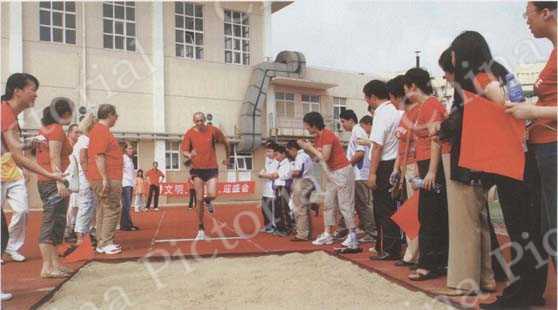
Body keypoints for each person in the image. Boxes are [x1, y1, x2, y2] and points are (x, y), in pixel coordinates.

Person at [446, 31, 547, 306]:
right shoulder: (497, 71)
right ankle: (532, 292)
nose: (452, 58)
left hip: (511, 165)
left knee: (520, 232)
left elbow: (503, 101)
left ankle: (517, 297)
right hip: (520, 160)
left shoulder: (481, 78)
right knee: (529, 232)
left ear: (465, 54)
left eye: (454, 52)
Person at [1, 73, 65, 299]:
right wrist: (50, 173)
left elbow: (14, 150)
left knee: (6, 227)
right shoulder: (5, 113)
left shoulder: (9, 115)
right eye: (32, 89)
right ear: (17, 91)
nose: (35, 94)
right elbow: (17, 155)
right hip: (7, 174)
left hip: (6, 174)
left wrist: (29, 146)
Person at [402, 68, 449, 281]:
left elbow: (435, 139)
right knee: (428, 214)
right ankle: (435, 262)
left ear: (413, 86)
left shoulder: (431, 106)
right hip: (424, 165)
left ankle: (431, 264)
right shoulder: (424, 107)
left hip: (433, 166)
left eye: (406, 90)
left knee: (430, 215)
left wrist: (431, 172)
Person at [519, 1, 557, 265]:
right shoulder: (553, 54)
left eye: (528, 14)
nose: (527, 20)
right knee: (550, 232)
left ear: (546, 13)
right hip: (544, 148)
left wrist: (531, 113)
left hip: (554, 147)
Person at [298, 112, 358, 250]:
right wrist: (307, 150)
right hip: (331, 173)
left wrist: (309, 147)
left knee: (345, 204)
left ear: (313, 125)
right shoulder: (318, 138)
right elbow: (317, 158)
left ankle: (353, 235)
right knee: (328, 204)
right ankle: (327, 234)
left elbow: (324, 156)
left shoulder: (328, 135)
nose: (306, 129)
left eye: (307, 126)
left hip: (342, 171)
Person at [364, 80, 403, 260]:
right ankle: (387, 246)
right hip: (396, 162)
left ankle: (388, 249)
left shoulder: (381, 114)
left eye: (366, 98)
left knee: (383, 209)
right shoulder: (396, 111)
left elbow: (377, 146)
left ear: (372, 97)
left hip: (385, 164)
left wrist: (372, 173)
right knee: (392, 208)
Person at [36, 98, 75, 278]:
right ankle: (47, 267)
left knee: (57, 222)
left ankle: (54, 264)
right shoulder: (56, 130)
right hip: (52, 181)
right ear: (64, 114)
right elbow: (54, 157)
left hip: (47, 180)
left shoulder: (45, 129)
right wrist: (59, 181)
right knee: (51, 222)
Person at [181, 112, 230, 241]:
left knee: (213, 194)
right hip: (197, 170)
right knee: (198, 199)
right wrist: (189, 155)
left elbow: (225, 142)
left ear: (205, 120)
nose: (200, 123)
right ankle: (201, 228)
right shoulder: (189, 133)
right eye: (197, 121)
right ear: (193, 121)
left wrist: (227, 157)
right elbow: (184, 150)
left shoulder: (213, 131)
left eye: (201, 120)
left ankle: (209, 200)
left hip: (211, 168)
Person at [389, 74, 420, 268]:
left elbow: (418, 142)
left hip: (413, 166)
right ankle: (412, 252)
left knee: (413, 212)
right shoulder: (405, 116)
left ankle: (413, 254)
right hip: (404, 165)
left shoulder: (415, 113)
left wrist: (413, 168)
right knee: (408, 211)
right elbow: (401, 147)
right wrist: (396, 169)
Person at [87, 104, 124, 255]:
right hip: (107, 176)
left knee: (104, 208)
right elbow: (99, 155)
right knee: (112, 208)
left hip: (102, 176)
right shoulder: (101, 131)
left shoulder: (98, 130)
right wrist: (104, 178)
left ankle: (102, 242)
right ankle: (106, 242)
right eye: (115, 115)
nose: (117, 118)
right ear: (109, 114)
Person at [339, 109, 376, 243]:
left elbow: (360, 153)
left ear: (351, 120)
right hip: (357, 174)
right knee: (359, 205)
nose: (342, 125)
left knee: (364, 205)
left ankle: (372, 233)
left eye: (343, 122)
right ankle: (366, 230)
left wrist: (348, 165)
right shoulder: (357, 131)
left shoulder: (357, 130)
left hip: (360, 174)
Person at [72, 113, 97, 246]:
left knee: (87, 207)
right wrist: (90, 177)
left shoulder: (83, 139)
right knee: (86, 206)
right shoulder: (85, 140)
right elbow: (83, 159)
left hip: (84, 177)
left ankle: (83, 235)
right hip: (85, 178)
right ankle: (80, 238)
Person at [286, 140, 318, 241]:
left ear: (293, 149)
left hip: (302, 182)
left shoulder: (300, 157)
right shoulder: (306, 156)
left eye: (289, 151)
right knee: (304, 209)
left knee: (299, 209)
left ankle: (302, 234)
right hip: (308, 181)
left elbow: (297, 172)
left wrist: (289, 173)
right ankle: (306, 233)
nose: (289, 154)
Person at [265, 144, 292, 236]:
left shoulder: (286, 164)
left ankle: (287, 228)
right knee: (278, 209)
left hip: (283, 189)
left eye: (277, 155)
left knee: (284, 209)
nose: (276, 157)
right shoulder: (280, 164)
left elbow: (277, 176)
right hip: (278, 189)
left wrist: (264, 175)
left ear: (283, 154)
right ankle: (280, 227)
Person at [64, 123, 81, 243]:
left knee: (76, 206)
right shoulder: (64, 146)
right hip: (66, 179)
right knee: (68, 208)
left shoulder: (78, 147)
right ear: (69, 133)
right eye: (76, 132)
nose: (78, 135)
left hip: (77, 181)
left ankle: (73, 229)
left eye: (79, 132)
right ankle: (66, 231)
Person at [258, 141, 278, 232]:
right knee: (264, 208)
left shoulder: (278, 161)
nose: (267, 154)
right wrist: (262, 172)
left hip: (273, 189)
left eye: (269, 151)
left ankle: (273, 226)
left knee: (272, 209)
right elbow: (265, 170)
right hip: (266, 188)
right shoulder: (267, 160)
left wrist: (263, 175)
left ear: (275, 152)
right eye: (267, 151)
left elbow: (273, 175)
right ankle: (267, 225)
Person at [120, 141, 138, 231]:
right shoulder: (123, 158)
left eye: (132, 148)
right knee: (126, 205)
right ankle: (125, 225)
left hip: (129, 184)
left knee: (128, 205)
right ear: (125, 149)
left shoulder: (130, 159)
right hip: (125, 184)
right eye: (130, 148)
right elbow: (119, 169)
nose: (132, 150)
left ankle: (128, 224)